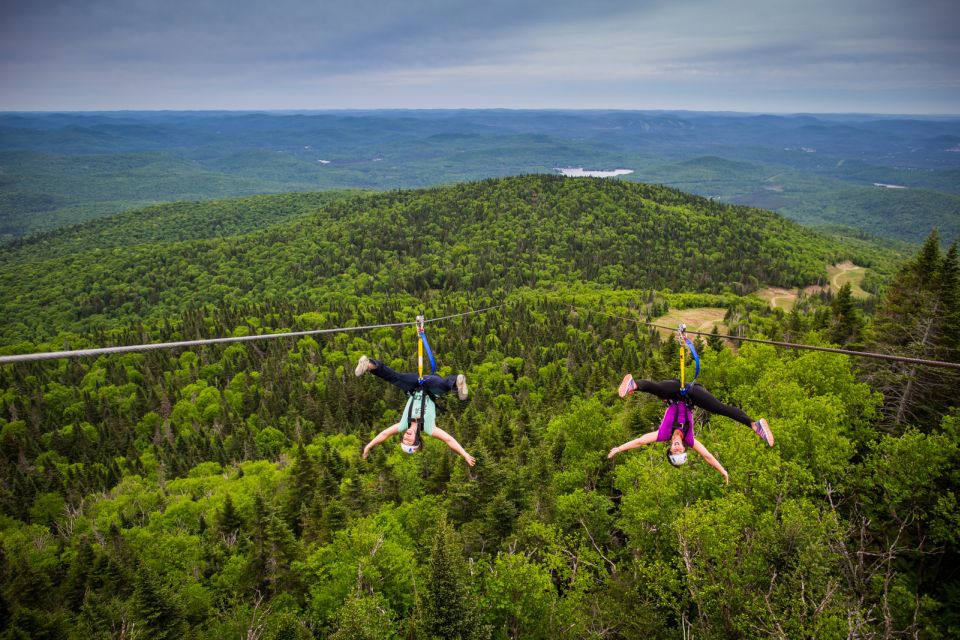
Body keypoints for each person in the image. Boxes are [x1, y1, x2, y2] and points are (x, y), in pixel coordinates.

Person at [607, 374, 774, 483]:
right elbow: (707, 456)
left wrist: (618, 449)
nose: (678, 448)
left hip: (673, 392)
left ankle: (633, 385)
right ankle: (754, 425)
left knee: (659, 390)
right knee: (719, 408)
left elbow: (640, 441)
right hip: (693, 395)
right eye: (681, 452)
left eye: (675, 452)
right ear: (684, 448)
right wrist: (723, 471)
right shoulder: (690, 440)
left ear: (670, 449)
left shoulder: (663, 434)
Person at [355, 355, 475, 466]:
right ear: (416, 440)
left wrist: (368, 447)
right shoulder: (429, 428)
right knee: (443, 385)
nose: (406, 438)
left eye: (404, 440)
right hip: (431, 388)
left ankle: (369, 365)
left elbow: (384, 434)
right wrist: (464, 454)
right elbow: (448, 440)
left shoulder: (403, 424)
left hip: (414, 386)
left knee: (396, 378)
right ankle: (457, 382)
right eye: (409, 441)